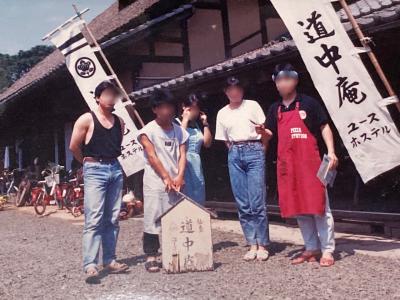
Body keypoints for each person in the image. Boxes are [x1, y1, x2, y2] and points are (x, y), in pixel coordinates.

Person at [256, 63, 338, 267]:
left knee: (319, 206)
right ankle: (311, 247)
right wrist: (262, 132)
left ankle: (327, 249)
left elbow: (324, 126)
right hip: (288, 165)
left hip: (310, 163)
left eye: (287, 78)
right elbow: (270, 134)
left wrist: (332, 151)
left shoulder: (309, 103)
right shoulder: (275, 109)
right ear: (275, 83)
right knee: (299, 207)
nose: (283, 83)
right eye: (279, 80)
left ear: (295, 80)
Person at [69, 80, 129, 282]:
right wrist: (87, 163)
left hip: (115, 168)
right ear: (97, 97)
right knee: (94, 218)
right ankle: (90, 264)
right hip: (95, 169)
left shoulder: (120, 121)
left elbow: (116, 144)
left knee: (112, 217)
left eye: (114, 95)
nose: (111, 98)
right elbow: (74, 147)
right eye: (107, 94)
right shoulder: (87, 119)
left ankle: (110, 260)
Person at [215, 76, 270, 261]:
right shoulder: (222, 113)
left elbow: (264, 131)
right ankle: (251, 242)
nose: (235, 92)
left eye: (238, 88)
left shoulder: (252, 105)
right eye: (230, 89)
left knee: (257, 199)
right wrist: (235, 152)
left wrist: (260, 149)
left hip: (254, 149)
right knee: (242, 202)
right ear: (225, 92)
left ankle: (262, 243)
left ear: (242, 90)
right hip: (234, 152)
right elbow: (224, 140)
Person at [137, 88, 189, 273]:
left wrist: (180, 175)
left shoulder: (179, 131)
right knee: (153, 217)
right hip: (155, 181)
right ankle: (151, 255)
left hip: (176, 181)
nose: (168, 110)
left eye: (170, 106)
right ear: (155, 109)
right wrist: (165, 177)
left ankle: (173, 251)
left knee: (174, 216)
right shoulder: (147, 131)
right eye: (163, 107)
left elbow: (183, 154)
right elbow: (152, 156)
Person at [175, 93, 212, 205]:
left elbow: (207, 143)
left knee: (198, 192)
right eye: (191, 108)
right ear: (184, 107)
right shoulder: (175, 122)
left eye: (197, 109)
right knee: (184, 194)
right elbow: (178, 139)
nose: (194, 112)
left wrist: (205, 124)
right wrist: (185, 119)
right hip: (182, 161)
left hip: (196, 162)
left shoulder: (197, 124)